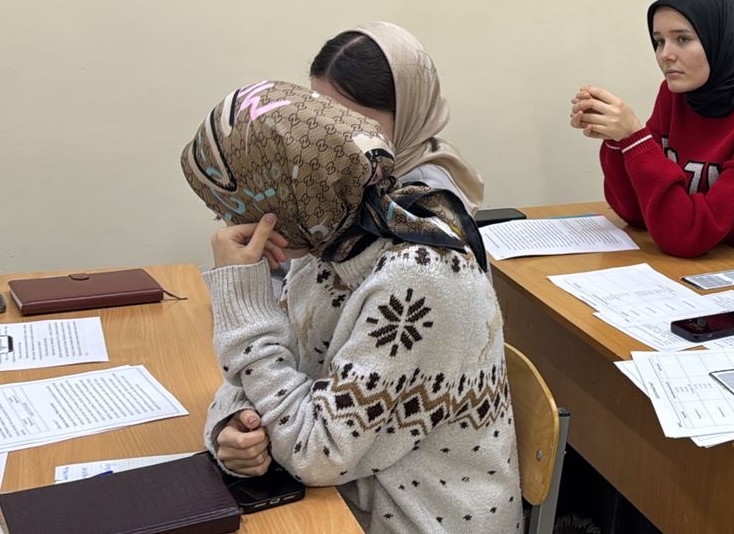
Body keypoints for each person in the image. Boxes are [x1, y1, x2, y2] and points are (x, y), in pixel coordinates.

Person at [183, 81, 520, 534]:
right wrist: (231, 427)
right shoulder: (327, 249)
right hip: (347, 499)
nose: (228, 226)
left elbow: (315, 451)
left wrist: (240, 298)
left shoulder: (418, 278)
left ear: (284, 198)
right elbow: (270, 376)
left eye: (230, 208)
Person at [570, 0, 734, 262]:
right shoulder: (676, 94)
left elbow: (689, 234)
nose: (665, 55)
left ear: (720, 39)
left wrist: (634, 139)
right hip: (692, 264)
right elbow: (635, 212)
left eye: (682, 39)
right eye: (659, 41)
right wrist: (617, 140)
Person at [310, 23, 485, 211]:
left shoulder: (425, 198)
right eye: (323, 116)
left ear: (406, 116)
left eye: (355, 125)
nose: (332, 136)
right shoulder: (362, 169)